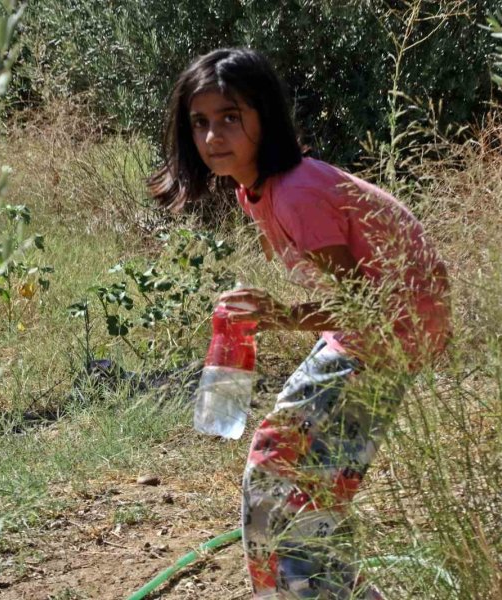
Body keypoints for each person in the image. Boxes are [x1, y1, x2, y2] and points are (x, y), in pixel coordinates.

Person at [149, 48, 450, 599]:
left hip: (384, 340)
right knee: (304, 486)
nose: (214, 136)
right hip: (374, 336)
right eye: (201, 122)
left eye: (231, 118)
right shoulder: (260, 188)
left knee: (278, 472)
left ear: (265, 116)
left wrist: (281, 316)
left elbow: (364, 302)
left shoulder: (295, 191)